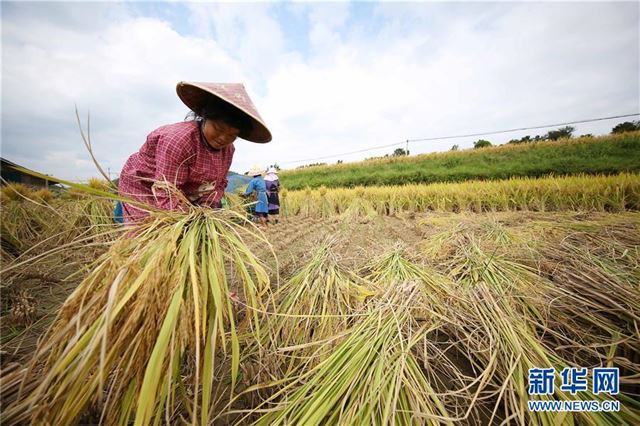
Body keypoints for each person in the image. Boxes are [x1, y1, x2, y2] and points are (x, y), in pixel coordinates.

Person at [118, 81, 272, 224]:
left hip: (183, 193)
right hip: (145, 186)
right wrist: (189, 223)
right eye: (218, 129)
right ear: (204, 116)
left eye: (232, 135)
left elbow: (219, 185)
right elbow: (166, 192)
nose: (223, 138)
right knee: (151, 238)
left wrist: (206, 210)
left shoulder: (228, 150)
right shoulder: (179, 141)